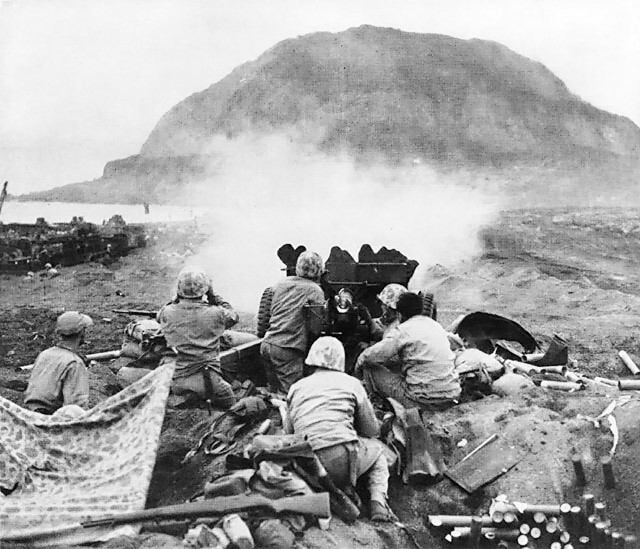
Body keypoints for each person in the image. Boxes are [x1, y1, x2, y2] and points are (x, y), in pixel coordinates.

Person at [285, 336, 392, 521]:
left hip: (306, 466)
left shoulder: (296, 387)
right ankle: (378, 502)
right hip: (342, 461)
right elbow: (371, 430)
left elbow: (289, 433)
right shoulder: (351, 383)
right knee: (378, 452)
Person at [157, 266, 254, 409]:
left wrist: (176, 298)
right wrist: (213, 296)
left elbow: (159, 315)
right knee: (234, 411)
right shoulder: (216, 313)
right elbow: (234, 316)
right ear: (205, 288)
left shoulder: (167, 312)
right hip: (210, 382)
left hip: (178, 381)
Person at [356, 292, 460, 411]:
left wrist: (358, 366)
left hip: (421, 400)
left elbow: (371, 356)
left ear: (399, 314)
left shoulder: (402, 330)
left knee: (369, 367)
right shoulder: (435, 326)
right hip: (451, 395)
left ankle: (376, 406)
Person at [260, 251, 326, 393]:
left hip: (267, 345)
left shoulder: (280, 284)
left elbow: (267, 315)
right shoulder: (315, 291)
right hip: (287, 349)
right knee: (293, 394)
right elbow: (315, 328)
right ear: (319, 270)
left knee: (273, 391)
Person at [24, 311, 93, 414]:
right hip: (50, 419)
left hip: (29, 414)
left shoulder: (44, 354)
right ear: (82, 332)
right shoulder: (75, 363)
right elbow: (76, 405)